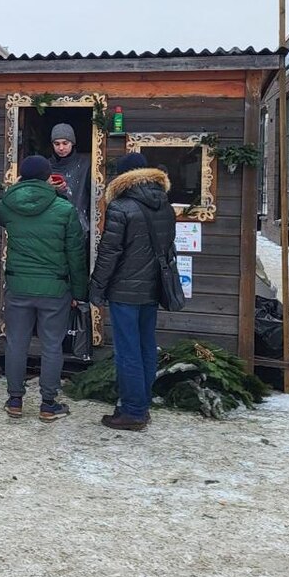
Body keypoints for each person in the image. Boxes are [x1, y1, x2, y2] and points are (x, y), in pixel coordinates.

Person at [0, 155, 87, 421]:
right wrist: (79, 293)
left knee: (16, 343)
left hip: (18, 286)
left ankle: (15, 400)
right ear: (48, 177)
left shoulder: (9, 205)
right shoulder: (64, 209)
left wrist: (17, 187)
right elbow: (76, 255)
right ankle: (48, 404)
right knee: (52, 346)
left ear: (22, 177)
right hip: (55, 289)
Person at [88, 152, 176, 431]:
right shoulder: (165, 205)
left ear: (124, 177)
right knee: (146, 345)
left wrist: (96, 287)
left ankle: (133, 411)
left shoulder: (121, 207)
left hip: (124, 291)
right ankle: (142, 404)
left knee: (127, 351)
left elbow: (109, 252)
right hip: (152, 288)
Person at [48, 123, 92, 235]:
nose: (61, 148)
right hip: (51, 225)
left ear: (72, 143)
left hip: (79, 223)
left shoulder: (86, 162)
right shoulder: (46, 166)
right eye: (57, 144)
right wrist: (48, 187)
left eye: (65, 143)